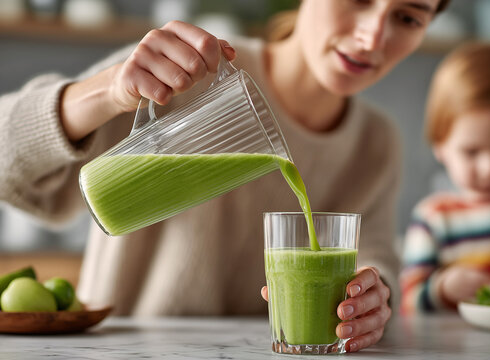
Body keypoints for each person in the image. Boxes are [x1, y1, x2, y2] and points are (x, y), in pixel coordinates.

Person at [0, 0, 450, 352]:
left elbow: (371, 253)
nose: (373, 37)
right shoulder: (194, 70)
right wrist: (109, 90)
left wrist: (373, 296)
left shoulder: (377, 140)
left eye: (409, 17)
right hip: (115, 350)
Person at [400, 42, 490, 314]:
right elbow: (408, 302)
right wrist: (442, 288)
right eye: (471, 152)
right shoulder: (434, 219)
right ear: (440, 145)